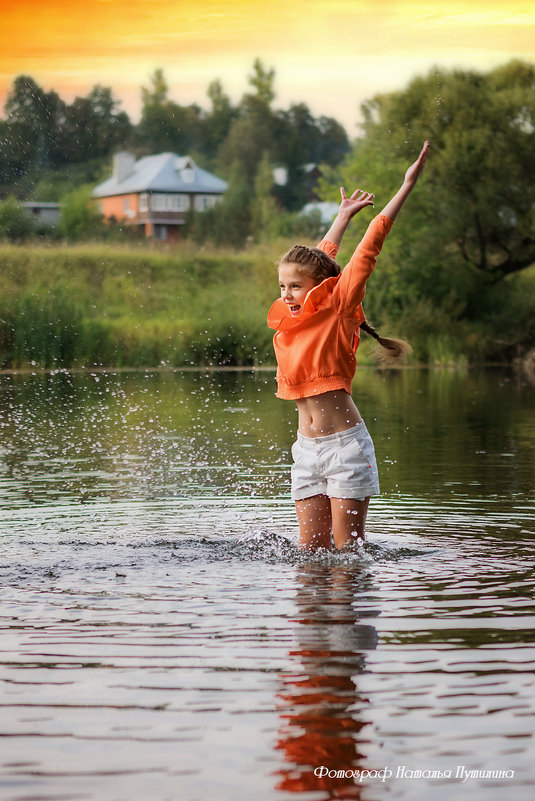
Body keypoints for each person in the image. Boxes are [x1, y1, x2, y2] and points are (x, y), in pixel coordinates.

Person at [267, 141, 430, 552]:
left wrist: (405, 187)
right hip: (306, 450)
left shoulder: (339, 306)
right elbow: (320, 259)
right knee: (311, 559)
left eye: (296, 286)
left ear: (316, 287)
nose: (287, 293)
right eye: (282, 285)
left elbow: (367, 248)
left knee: (347, 558)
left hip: (345, 449)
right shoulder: (292, 319)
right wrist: (340, 216)